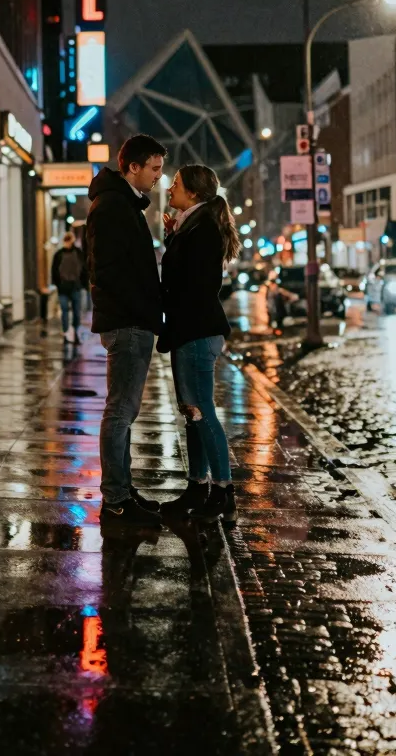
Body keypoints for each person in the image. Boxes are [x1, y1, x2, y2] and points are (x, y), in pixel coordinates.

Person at [86, 133, 168, 527]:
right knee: (119, 412)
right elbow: (109, 272)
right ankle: (116, 499)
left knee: (124, 411)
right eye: (153, 168)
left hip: (131, 320)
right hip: (128, 323)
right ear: (132, 166)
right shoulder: (113, 207)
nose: (157, 177)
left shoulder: (121, 204)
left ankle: (123, 490)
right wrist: (142, 311)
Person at [157, 164, 239, 524]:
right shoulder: (194, 223)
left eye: (174, 183)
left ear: (192, 191)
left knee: (201, 410)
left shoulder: (202, 227)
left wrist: (173, 240)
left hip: (196, 331)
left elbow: (193, 282)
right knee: (192, 413)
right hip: (188, 330)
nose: (169, 188)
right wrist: (173, 235)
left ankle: (223, 492)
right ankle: (196, 486)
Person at [51, 231, 88, 343]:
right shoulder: (59, 254)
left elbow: (84, 269)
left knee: (76, 312)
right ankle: (66, 333)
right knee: (64, 310)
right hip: (63, 288)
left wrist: (83, 284)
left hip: (75, 287)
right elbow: (54, 270)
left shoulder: (78, 253)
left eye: (69, 240)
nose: (67, 243)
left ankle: (75, 332)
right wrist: (57, 284)